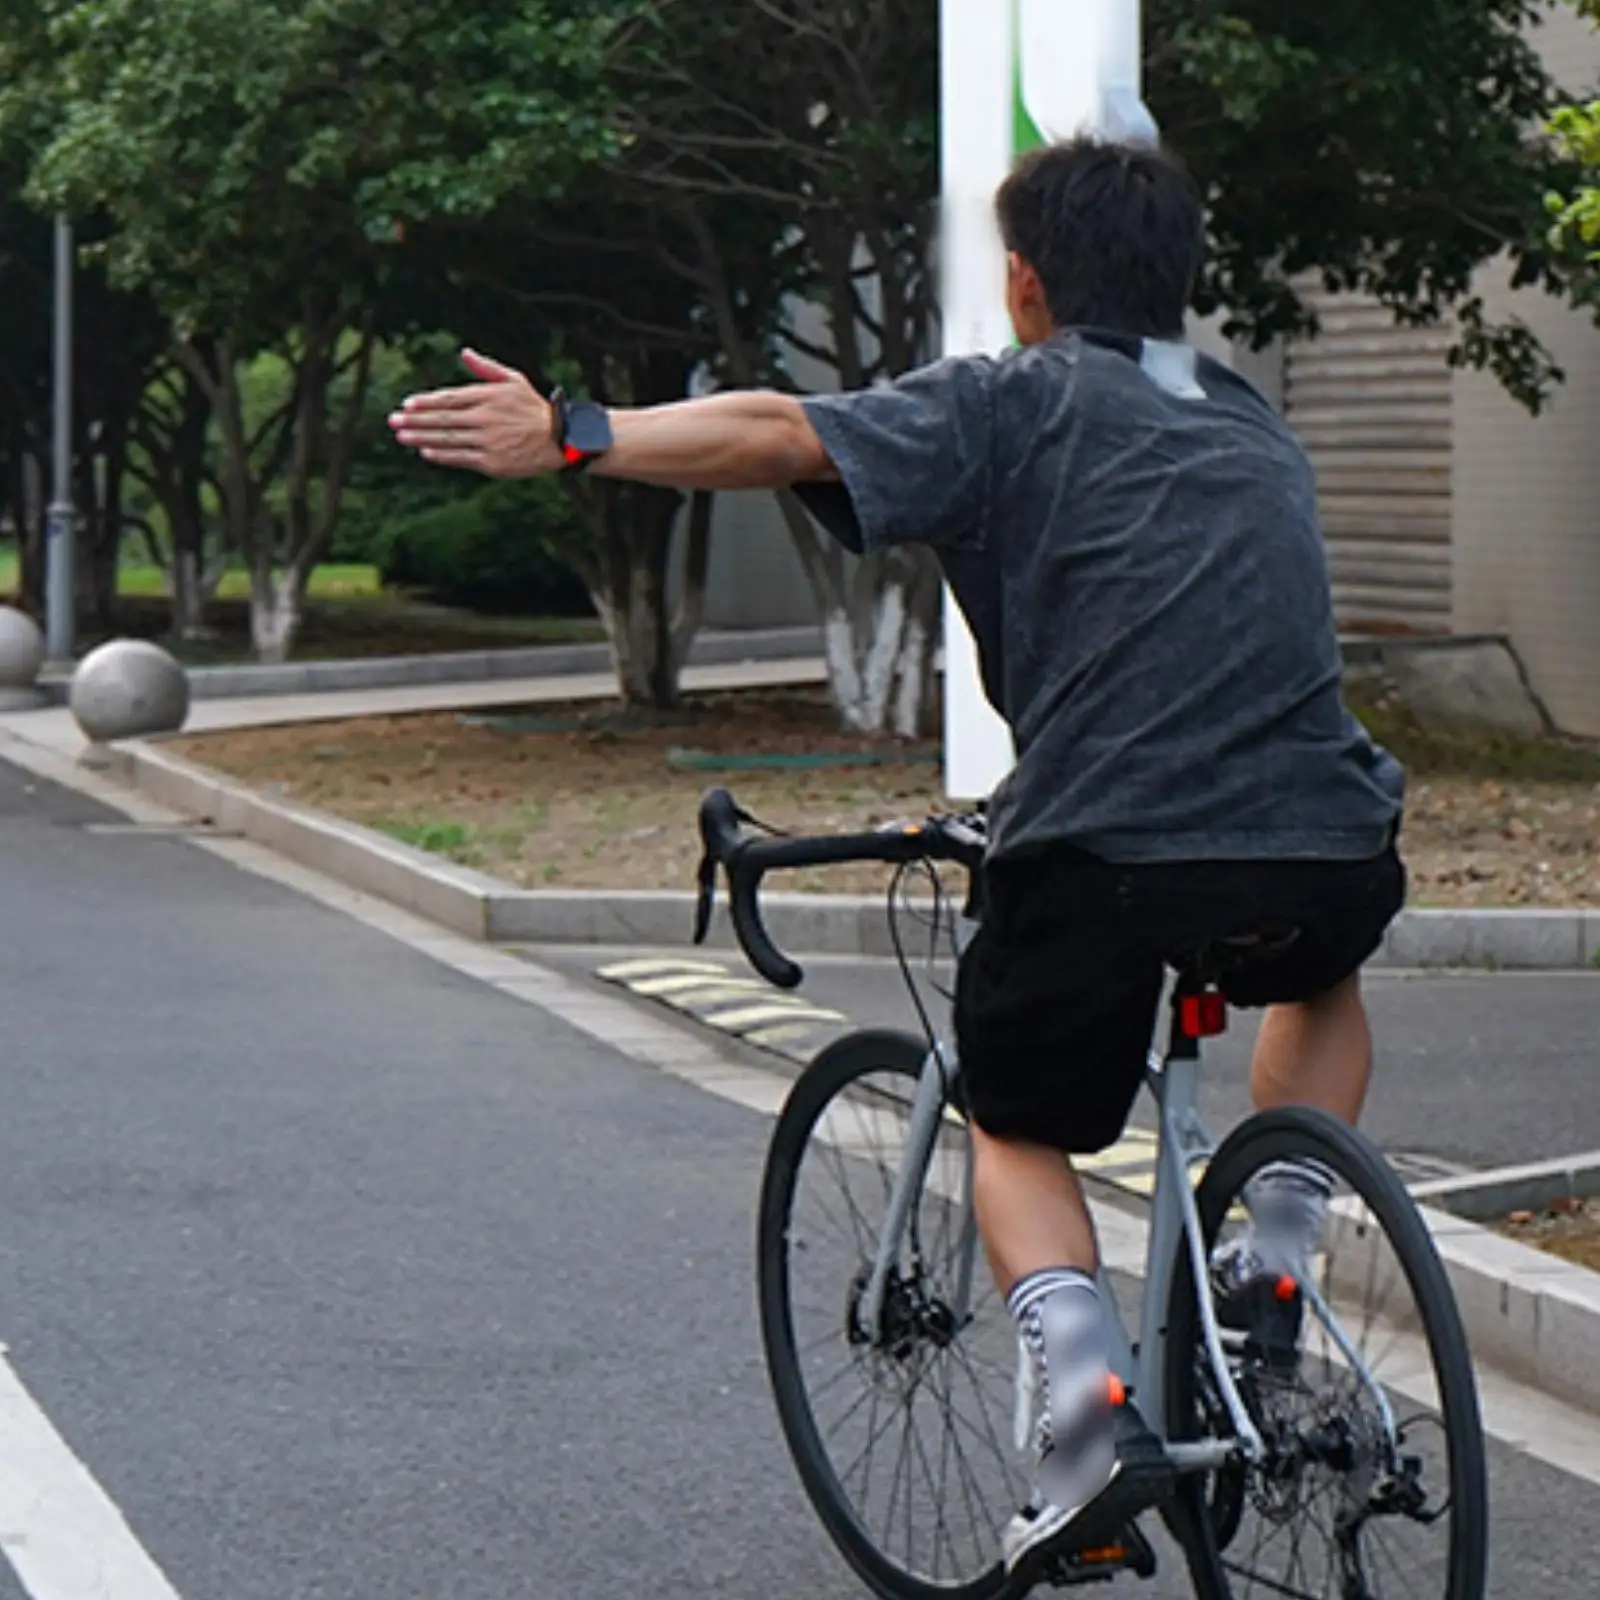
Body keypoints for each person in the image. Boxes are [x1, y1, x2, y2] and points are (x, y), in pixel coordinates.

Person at [390, 137, 1405, 1580]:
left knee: (1015, 1115)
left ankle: (1079, 1417)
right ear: (1178, 281)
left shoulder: (1014, 397)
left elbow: (779, 433)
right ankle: (1278, 1250)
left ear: (1027, 280)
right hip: (1331, 832)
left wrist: (578, 430)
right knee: (1324, 964)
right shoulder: (1246, 416)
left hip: (1111, 838)